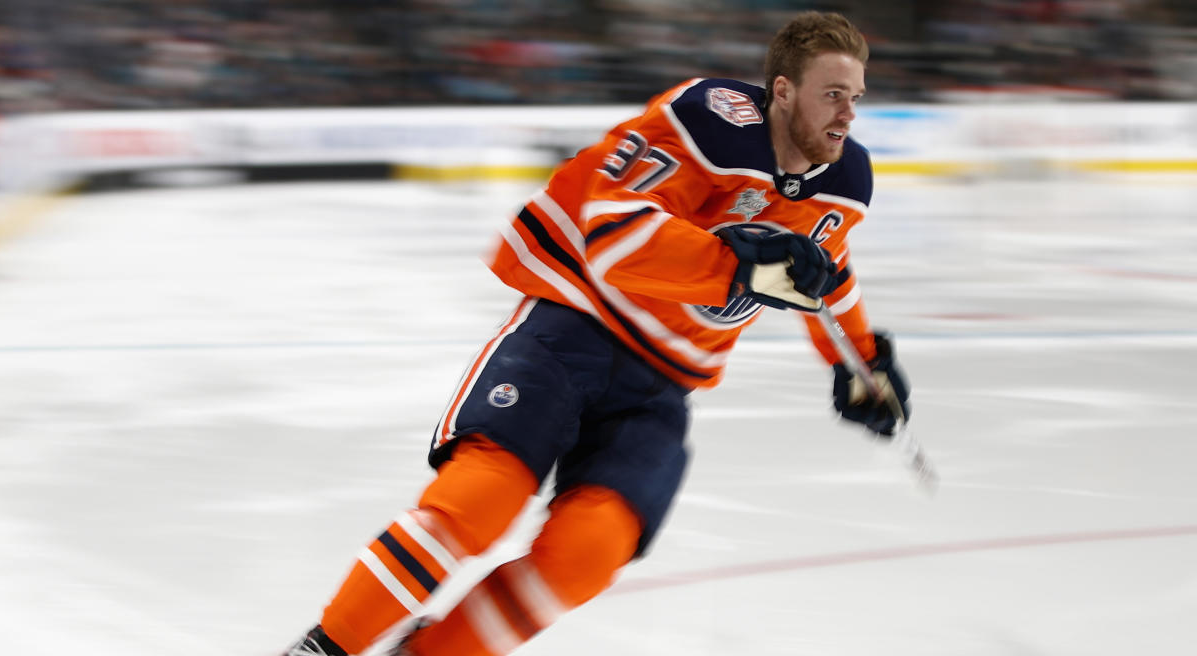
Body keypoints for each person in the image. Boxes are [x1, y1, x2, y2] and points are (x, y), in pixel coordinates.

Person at [285, 10, 910, 656]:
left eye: (856, 98)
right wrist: (736, 265)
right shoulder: (707, 122)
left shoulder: (845, 181)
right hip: (574, 329)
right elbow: (614, 239)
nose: (848, 115)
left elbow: (826, 269)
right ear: (782, 90)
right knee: (478, 501)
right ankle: (323, 648)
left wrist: (861, 363)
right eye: (833, 95)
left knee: (590, 550)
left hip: (660, 384)